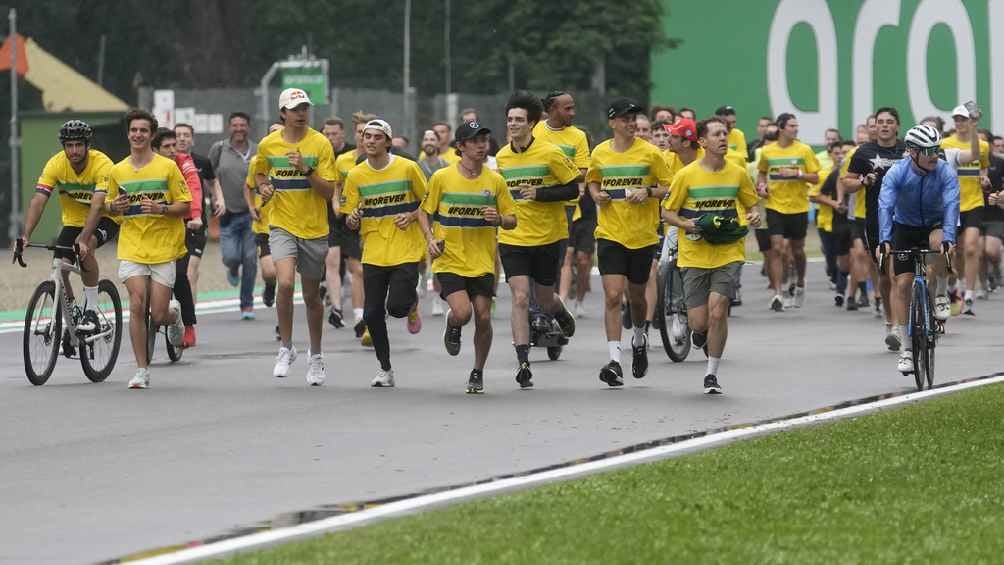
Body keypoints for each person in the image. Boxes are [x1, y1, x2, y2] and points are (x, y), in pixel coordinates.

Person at [81, 109, 190, 389]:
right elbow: (113, 209)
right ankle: (142, 370)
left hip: (164, 247)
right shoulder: (118, 171)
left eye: (143, 130)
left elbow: (185, 205)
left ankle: (174, 317)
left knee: (159, 312)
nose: (138, 135)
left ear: (152, 135)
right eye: (133, 130)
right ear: (128, 134)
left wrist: (161, 208)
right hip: (132, 246)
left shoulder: (167, 167)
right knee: (137, 304)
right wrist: (111, 207)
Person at [662, 117, 760, 394]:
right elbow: (667, 211)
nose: (723, 138)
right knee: (699, 322)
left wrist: (753, 215)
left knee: (718, 311)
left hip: (728, 251)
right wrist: (684, 224)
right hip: (693, 255)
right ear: (702, 142)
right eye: (716, 134)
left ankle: (711, 374)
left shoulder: (738, 172)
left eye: (725, 134)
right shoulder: (686, 175)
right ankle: (699, 333)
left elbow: (751, 204)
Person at [419, 120, 517, 393]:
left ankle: (477, 371)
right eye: (475, 140)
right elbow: (423, 211)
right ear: (460, 147)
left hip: (483, 260)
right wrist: (430, 239)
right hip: (449, 257)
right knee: (463, 313)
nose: (481, 145)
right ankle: (453, 324)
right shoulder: (442, 178)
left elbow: (512, 219)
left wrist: (497, 218)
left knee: (483, 317)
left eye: (484, 140)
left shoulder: (495, 181)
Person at [252, 88, 337, 385]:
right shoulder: (268, 145)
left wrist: (306, 169)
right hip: (281, 224)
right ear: (282, 114)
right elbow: (259, 174)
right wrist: (263, 187)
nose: (301, 113)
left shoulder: (321, 143)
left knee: (312, 297)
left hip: (314, 228)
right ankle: (285, 348)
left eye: (305, 108)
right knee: (285, 282)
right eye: (295, 108)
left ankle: (316, 357)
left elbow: (328, 191)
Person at [496, 91, 580, 389]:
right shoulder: (501, 159)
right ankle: (523, 362)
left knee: (544, 298)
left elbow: (573, 189)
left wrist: (541, 194)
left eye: (519, 120)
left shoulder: (550, 153)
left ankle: (559, 311)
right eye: (509, 119)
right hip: (513, 237)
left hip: (548, 236)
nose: (513, 124)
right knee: (519, 297)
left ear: (532, 123)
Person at [586, 98, 672, 386]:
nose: (631, 123)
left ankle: (638, 339)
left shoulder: (650, 153)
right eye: (625, 118)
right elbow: (592, 180)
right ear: (612, 123)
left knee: (636, 298)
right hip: (610, 233)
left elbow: (668, 187)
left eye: (634, 118)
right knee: (613, 295)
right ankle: (614, 361)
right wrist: (596, 194)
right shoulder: (599, 152)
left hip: (642, 235)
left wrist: (647, 191)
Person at [341, 119, 427, 387]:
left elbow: (429, 203)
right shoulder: (356, 175)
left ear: (388, 142)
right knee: (372, 314)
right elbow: (349, 218)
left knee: (397, 308)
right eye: (367, 136)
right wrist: (353, 219)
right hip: (374, 251)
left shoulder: (407, 168)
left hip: (405, 248)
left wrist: (412, 215)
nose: (370, 141)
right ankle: (385, 368)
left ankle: (411, 302)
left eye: (378, 137)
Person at [877, 124, 959, 374]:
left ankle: (942, 291)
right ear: (912, 152)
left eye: (937, 149)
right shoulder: (897, 173)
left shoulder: (945, 172)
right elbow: (885, 206)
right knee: (902, 285)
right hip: (905, 227)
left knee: (942, 245)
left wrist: (949, 236)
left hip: (934, 224)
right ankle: (907, 351)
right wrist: (885, 240)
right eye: (928, 151)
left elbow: (951, 205)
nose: (935, 155)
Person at [23, 120, 118, 335]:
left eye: (78, 145)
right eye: (69, 145)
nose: (74, 150)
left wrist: (84, 239)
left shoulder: (103, 164)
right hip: (74, 221)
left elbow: (96, 206)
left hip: (106, 216)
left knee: (86, 248)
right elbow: (38, 200)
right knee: (59, 264)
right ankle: (73, 310)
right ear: (63, 146)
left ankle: (92, 311)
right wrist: (25, 236)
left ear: (87, 145)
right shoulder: (56, 164)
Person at [843, 107, 907, 348]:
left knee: (895, 273)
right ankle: (889, 321)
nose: (884, 126)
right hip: (876, 221)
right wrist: (862, 181)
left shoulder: (906, 150)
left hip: (904, 219)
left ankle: (900, 329)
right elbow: (847, 183)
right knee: (884, 275)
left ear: (897, 126)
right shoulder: (864, 152)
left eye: (889, 122)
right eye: (880, 122)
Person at [534, 91, 592, 316]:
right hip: (535, 204)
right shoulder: (535, 131)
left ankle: (553, 306)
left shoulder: (577, 136)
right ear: (552, 110)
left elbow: (583, 172)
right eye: (567, 108)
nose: (573, 113)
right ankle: (536, 307)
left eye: (573, 107)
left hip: (565, 206)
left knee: (556, 259)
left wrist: (551, 176)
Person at [757, 112, 820, 311]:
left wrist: (798, 174)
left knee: (798, 251)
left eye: (796, 126)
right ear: (781, 128)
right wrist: (761, 187)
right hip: (775, 206)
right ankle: (778, 293)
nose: (795, 129)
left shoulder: (804, 150)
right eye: (792, 126)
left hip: (799, 207)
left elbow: (815, 178)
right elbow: (761, 173)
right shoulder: (768, 151)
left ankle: (800, 283)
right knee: (777, 249)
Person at [151, 128, 202, 349]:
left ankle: (188, 324)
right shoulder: (147, 166)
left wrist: (196, 215)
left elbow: (194, 187)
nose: (174, 150)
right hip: (153, 228)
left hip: (184, 224)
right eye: (167, 147)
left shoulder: (184, 162)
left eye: (175, 145)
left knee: (181, 274)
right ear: (155, 150)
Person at [208, 112, 259, 320]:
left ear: (248, 127)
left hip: (251, 214)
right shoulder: (219, 149)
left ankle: (247, 304)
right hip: (227, 213)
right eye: (235, 125)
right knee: (231, 256)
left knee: (250, 259)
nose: (239, 128)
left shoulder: (257, 150)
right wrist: (214, 197)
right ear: (229, 128)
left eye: (243, 125)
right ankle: (232, 269)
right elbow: (208, 176)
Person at [941, 104, 990, 315]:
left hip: (974, 202)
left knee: (971, 247)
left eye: (964, 119)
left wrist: (985, 177)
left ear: (971, 121)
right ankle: (954, 284)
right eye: (957, 119)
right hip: (951, 204)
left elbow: (982, 164)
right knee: (953, 252)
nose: (960, 123)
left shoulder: (982, 145)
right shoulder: (944, 144)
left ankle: (969, 293)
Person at [332, 113, 374, 341]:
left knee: (375, 274)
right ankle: (360, 318)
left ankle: (374, 312)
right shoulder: (343, 161)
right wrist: (337, 205)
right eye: (360, 132)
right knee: (357, 271)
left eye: (368, 133)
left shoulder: (387, 161)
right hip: (351, 222)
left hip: (379, 223)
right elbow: (336, 188)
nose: (364, 137)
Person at [175, 123, 224, 317]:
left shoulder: (202, 162)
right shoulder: (165, 163)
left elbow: (213, 182)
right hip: (171, 224)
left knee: (189, 273)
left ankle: (189, 320)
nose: (182, 138)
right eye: (178, 135)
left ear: (192, 139)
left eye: (186, 135)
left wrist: (219, 198)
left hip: (196, 224)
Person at [244, 123, 285, 341]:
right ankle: (269, 286)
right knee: (270, 273)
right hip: (264, 227)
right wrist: (251, 207)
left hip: (287, 225)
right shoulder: (257, 161)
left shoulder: (291, 160)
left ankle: (282, 324)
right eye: (272, 134)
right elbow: (248, 186)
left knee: (285, 277)